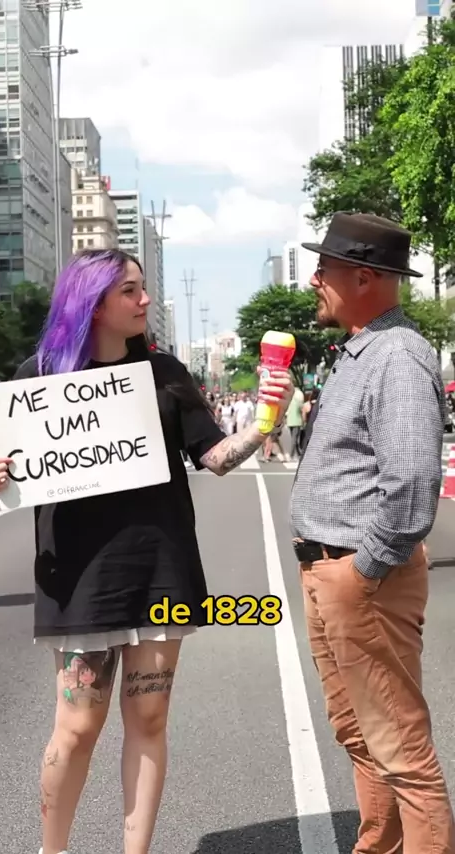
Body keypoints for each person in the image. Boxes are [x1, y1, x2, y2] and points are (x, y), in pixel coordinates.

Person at [0, 248, 294, 854]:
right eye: (130, 290)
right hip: (77, 576)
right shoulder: (36, 376)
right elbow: (12, 472)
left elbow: (215, 458)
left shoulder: (165, 373)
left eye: (143, 288)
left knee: (149, 719)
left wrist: (263, 423)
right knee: (76, 726)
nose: (144, 300)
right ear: (92, 303)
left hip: (159, 569)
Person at [290, 212, 454, 854]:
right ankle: (378, 844)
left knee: (400, 746)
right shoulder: (362, 351)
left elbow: (412, 482)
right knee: (359, 734)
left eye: (323, 269)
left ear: (362, 278)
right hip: (332, 569)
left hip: (361, 573)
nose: (314, 280)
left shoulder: (397, 354)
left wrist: (365, 571)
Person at [285, 384, 305, 460]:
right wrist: (303, 421)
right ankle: (292, 455)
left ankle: (298, 453)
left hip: (290, 421)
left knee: (294, 438)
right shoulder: (298, 398)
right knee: (295, 439)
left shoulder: (289, 399)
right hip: (297, 421)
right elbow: (302, 409)